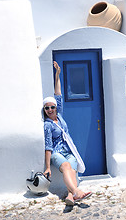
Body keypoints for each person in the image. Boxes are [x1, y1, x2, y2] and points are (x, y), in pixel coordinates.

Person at [43, 61, 92, 206]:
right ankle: (77, 192)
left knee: (72, 169)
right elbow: (48, 146)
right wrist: (47, 166)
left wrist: (57, 75)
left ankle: (70, 196)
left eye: (52, 107)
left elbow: (58, 94)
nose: (50, 110)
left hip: (69, 150)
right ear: (44, 110)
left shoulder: (60, 116)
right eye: (47, 108)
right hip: (57, 152)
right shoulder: (47, 125)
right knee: (65, 167)